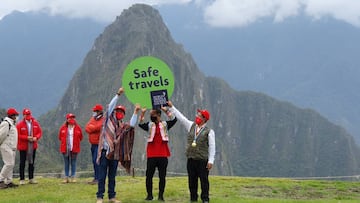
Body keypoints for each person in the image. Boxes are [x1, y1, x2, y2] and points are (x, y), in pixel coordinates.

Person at [96, 87, 140, 203]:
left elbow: (131, 125)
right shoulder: (108, 121)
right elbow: (109, 107)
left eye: (122, 112)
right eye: (118, 111)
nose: (119, 113)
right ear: (114, 112)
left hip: (114, 154)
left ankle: (112, 197)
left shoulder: (122, 126)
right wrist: (118, 95)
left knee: (112, 176)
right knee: (101, 176)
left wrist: (136, 112)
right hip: (105, 151)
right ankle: (100, 197)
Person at [167, 101, 215, 203]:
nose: (197, 116)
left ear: (204, 119)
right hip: (191, 159)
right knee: (192, 180)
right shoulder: (191, 126)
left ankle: (205, 199)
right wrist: (172, 107)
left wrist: (211, 160)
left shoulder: (209, 132)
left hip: (202, 160)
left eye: (199, 115)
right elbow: (181, 118)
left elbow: (212, 146)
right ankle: (193, 198)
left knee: (204, 180)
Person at [138, 107, 177, 201]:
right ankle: (149, 195)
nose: (151, 116)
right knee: (149, 176)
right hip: (151, 154)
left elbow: (174, 119)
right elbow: (140, 124)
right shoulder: (149, 125)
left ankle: (161, 195)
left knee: (162, 176)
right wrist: (142, 114)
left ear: (158, 115)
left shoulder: (165, 124)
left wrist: (166, 110)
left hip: (163, 154)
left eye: (153, 114)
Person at [16, 108, 42, 185]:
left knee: (31, 162)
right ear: (23, 115)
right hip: (23, 146)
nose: (28, 116)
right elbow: (18, 135)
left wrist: (36, 138)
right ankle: (22, 179)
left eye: (29, 115)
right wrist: (26, 137)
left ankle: (31, 178)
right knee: (22, 162)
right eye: (26, 115)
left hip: (32, 146)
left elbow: (39, 132)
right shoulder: (20, 124)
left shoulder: (35, 123)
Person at [58, 113, 83, 183]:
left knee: (73, 162)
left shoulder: (77, 128)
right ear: (67, 119)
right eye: (70, 118)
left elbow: (81, 137)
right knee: (66, 163)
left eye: (73, 118)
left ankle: (73, 177)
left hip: (74, 148)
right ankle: (66, 177)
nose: (72, 119)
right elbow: (60, 137)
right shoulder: (63, 128)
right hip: (65, 148)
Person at [0, 108, 19, 189]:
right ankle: (0, 180)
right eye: (15, 115)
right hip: (6, 146)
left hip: (12, 147)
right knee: (9, 164)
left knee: (11, 164)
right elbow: (1, 135)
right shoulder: (6, 124)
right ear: (12, 116)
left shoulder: (12, 124)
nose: (16, 117)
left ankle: (9, 181)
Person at [85, 104, 104, 185]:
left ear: (99, 111)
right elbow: (87, 128)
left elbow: (100, 127)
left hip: (99, 144)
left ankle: (98, 178)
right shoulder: (93, 119)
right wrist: (94, 128)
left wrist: (93, 127)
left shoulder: (103, 119)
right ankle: (96, 177)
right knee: (94, 161)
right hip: (92, 144)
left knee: (97, 161)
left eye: (95, 111)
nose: (94, 112)